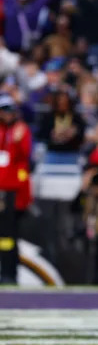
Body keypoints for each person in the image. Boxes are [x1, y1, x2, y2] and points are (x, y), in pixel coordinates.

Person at [0, 96, 32, 285]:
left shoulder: (21, 130)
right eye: (4, 110)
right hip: (2, 185)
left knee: (9, 233)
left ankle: (9, 272)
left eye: (10, 110)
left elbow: (25, 156)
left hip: (12, 190)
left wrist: (18, 141)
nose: (7, 114)